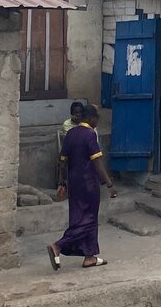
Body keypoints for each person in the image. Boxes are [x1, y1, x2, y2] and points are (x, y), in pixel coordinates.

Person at [48, 104, 117, 270]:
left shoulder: (70, 134)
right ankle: (58, 246)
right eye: (97, 119)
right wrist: (109, 184)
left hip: (73, 182)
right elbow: (97, 163)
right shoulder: (89, 134)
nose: (97, 122)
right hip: (88, 182)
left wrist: (61, 182)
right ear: (91, 118)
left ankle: (90, 256)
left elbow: (62, 161)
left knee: (79, 216)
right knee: (90, 219)